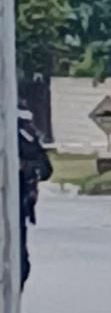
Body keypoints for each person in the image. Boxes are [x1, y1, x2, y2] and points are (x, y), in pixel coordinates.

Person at [17, 109, 51, 293]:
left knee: (19, 263)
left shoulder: (24, 135)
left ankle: (12, 304)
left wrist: (25, 167)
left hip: (16, 208)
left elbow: (45, 168)